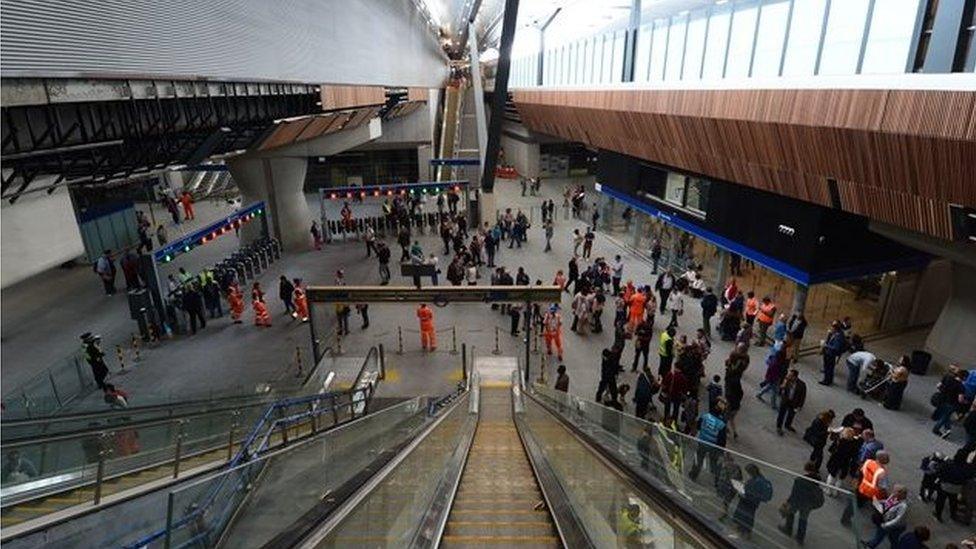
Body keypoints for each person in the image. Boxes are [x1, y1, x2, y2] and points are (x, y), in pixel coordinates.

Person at [778, 461, 825, 544]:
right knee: (803, 519)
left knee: (791, 513)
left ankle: (788, 529)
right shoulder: (817, 480)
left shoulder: (800, 480)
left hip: (798, 501)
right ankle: (800, 537)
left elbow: (794, 493)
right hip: (809, 503)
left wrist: (788, 501)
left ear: (805, 469)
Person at [841, 451, 891, 527]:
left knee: (853, 504)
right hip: (872, 493)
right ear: (883, 460)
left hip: (861, 487)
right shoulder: (881, 472)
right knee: (879, 508)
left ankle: (845, 519)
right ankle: (879, 523)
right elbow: (882, 487)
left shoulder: (868, 462)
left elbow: (861, 473)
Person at [689, 399, 728, 483]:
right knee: (714, 462)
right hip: (713, 445)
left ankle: (693, 474)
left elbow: (698, 427)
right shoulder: (722, 424)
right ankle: (717, 480)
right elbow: (722, 440)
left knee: (699, 459)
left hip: (702, 442)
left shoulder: (705, 416)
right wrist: (721, 450)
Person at [733, 464, 773, 538]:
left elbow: (749, 493)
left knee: (744, 516)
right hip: (753, 503)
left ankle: (743, 532)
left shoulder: (755, 481)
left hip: (748, 501)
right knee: (749, 516)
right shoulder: (760, 479)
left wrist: (741, 491)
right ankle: (746, 531)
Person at [724, 344, 750, 439]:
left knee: (728, 416)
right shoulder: (740, 357)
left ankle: (727, 428)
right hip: (734, 402)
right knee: (731, 418)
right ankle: (733, 431)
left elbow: (733, 367)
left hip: (732, 380)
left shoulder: (740, 358)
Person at [933, 368, 966, 438]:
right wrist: (964, 401)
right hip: (951, 403)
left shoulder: (948, 378)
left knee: (946, 415)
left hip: (942, 399)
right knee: (945, 416)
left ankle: (948, 429)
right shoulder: (961, 387)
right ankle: (936, 429)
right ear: (964, 378)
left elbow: (938, 386)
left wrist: (943, 391)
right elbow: (960, 399)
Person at [776, 369, 806, 435]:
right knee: (781, 414)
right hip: (785, 400)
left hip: (794, 402)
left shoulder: (802, 385)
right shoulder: (786, 381)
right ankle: (779, 427)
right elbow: (779, 388)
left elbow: (803, 396)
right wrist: (782, 386)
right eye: (788, 375)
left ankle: (787, 425)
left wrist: (800, 406)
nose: (788, 376)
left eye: (790, 375)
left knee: (791, 415)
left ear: (795, 377)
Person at [820, 321, 847, 386]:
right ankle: (829, 380)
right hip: (829, 353)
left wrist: (826, 345)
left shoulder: (838, 336)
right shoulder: (836, 334)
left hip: (830, 354)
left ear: (835, 328)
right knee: (829, 367)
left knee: (828, 367)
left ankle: (826, 380)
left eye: (832, 327)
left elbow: (835, 347)